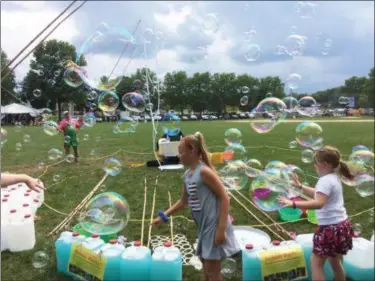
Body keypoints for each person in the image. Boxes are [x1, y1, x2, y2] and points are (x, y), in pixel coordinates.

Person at [152, 132, 240, 281]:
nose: (178, 156)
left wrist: (221, 229)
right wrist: (163, 216)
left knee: (212, 271)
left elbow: (225, 197)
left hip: (214, 225)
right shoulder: (187, 175)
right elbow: (183, 202)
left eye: (180, 152)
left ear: (192, 150)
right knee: (206, 265)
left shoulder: (204, 172)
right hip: (203, 227)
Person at [278, 146, 355, 281]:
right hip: (342, 226)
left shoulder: (324, 181)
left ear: (325, 164)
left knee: (316, 263)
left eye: (316, 164)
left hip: (329, 229)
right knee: (335, 261)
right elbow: (318, 193)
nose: (315, 167)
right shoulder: (334, 177)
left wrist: (293, 204)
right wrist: (300, 186)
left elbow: (319, 203)